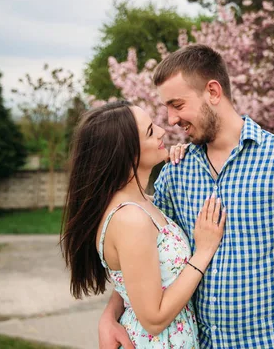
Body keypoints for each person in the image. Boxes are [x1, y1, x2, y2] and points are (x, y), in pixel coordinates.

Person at [99, 44, 274, 349]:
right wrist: (110, 314)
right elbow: (150, 263)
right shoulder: (174, 173)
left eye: (177, 104)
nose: (170, 120)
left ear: (213, 91)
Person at [61, 100, 226, 348]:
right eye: (150, 131)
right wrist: (203, 252)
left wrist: (109, 313)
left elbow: (137, 279)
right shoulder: (130, 219)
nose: (162, 130)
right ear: (127, 153)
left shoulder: (143, 204)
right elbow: (154, 319)